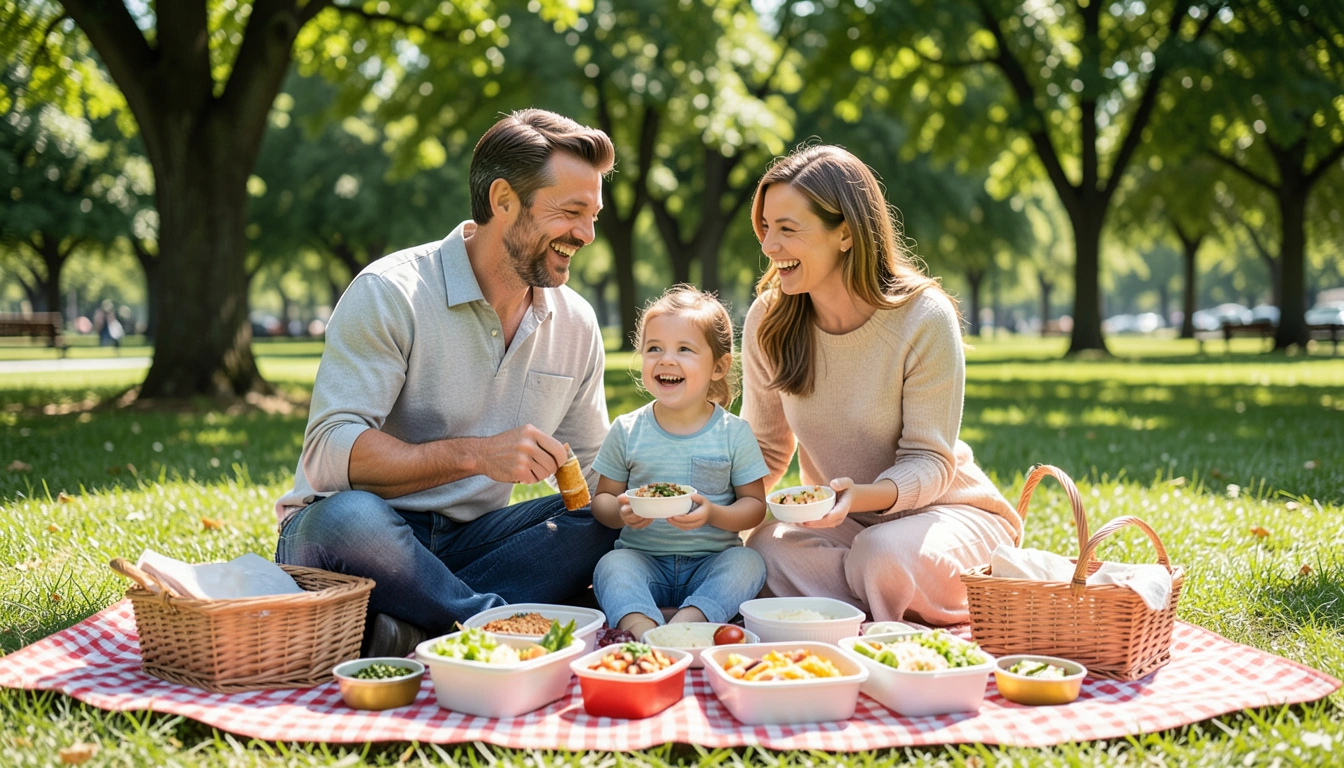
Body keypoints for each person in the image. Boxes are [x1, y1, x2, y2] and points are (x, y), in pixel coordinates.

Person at [274, 109, 620, 657]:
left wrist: (673, 501)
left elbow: (598, 474)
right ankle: (492, 627)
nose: (587, 233)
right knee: (348, 519)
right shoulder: (392, 292)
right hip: (361, 537)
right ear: (503, 201)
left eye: (593, 215)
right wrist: (476, 456)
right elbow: (327, 454)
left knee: (608, 518)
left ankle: (415, 626)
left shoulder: (575, 323)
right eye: (572, 212)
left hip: (474, 545)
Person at [740, 145, 1023, 626]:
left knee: (880, 555)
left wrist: (862, 496)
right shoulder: (770, 318)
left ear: (845, 233)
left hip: (948, 512)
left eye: (788, 230)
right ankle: (882, 611)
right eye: (766, 228)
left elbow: (931, 461)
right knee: (760, 551)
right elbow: (765, 448)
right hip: (844, 525)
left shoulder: (922, 317)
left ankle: (859, 608)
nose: (769, 246)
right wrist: (706, 513)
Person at [589, 286, 769, 640]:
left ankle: (690, 621)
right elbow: (602, 501)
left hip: (710, 562)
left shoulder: (734, 433)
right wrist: (621, 511)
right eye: (654, 348)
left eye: (684, 349)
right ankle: (644, 631)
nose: (666, 360)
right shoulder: (626, 429)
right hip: (643, 559)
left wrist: (713, 514)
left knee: (749, 563)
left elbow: (754, 506)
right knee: (611, 566)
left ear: (719, 367)